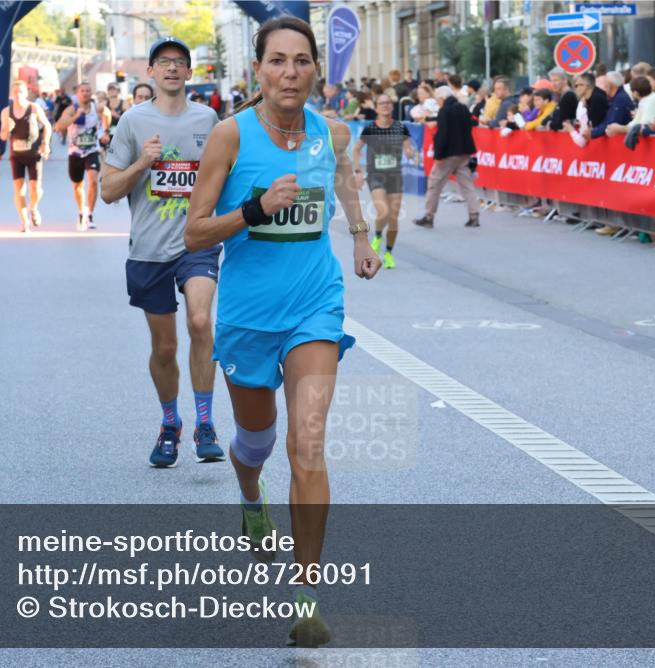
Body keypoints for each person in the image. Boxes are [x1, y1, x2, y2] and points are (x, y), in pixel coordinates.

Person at [184, 14, 381, 647]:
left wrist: (360, 237)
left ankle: (306, 596)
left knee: (310, 444)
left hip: (313, 305)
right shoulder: (229, 137)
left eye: (301, 60)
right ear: (259, 69)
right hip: (246, 316)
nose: (290, 72)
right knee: (257, 442)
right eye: (277, 60)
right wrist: (254, 209)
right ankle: (249, 495)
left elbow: (346, 180)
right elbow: (194, 232)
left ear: (316, 68)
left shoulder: (335, 132)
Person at [100, 36, 224, 468]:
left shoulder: (209, 120)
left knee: (199, 319)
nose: (172, 68)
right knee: (166, 347)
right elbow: (108, 192)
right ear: (149, 72)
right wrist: (142, 164)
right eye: (163, 62)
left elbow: (228, 175)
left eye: (180, 62)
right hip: (149, 249)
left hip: (196, 242)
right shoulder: (132, 122)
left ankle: (205, 423)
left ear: (190, 73)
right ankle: (170, 423)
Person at [352, 93, 416, 269]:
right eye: (381, 103)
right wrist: (357, 171)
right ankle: (378, 236)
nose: (385, 106)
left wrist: (411, 153)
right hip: (376, 175)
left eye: (388, 103)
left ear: (392, 106)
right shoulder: (370, 129)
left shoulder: (400, 127)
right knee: (383, 211)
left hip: (395, 175)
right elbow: (356, 150)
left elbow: (408, 148)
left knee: (394, 218)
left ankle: (388, 253)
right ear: (376, 107)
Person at [413, 86, 480, 229]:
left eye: (438, 99)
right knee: (467, 185)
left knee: (434, 184)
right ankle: (474, 216)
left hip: (448, 154)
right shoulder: (462, 108)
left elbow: (443, 134)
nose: (438, 102)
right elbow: (472, 122)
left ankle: (429, 216)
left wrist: (438, 154)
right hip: (464, 152)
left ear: (442, 98)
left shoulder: (445, 111)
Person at [56, 82, 111, 230]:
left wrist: (105, 131)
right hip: (75, 152)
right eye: (82, 91)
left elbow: (107, 113)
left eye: (88, 90)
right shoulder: (71, 109)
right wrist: (76, 116)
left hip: (92, 150)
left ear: (91, 93)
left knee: (93, 180)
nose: (85, 93)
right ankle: (82, 211)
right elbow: (59, 126)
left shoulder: (96, 107)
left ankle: (91, 215)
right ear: (77, 94)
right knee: (77, 186)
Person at [0, 79, 52, 232]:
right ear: (11, 94)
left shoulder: (34, 108)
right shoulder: (6, 112)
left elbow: (47, 126)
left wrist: (45, 143)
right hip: (16, 155)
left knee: (36, 189)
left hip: (34, 153)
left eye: (20, 91)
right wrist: (6, 129)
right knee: (19, 190)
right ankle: (24, 223)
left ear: (26, 93)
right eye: (14, 92)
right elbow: (3, 137)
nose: (17, 95)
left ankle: (33, 207)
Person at [591, 72, 634, 138]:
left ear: (611, 85)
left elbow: (611, 124)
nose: (604, 86)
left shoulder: (620, 99)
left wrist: (592, 133)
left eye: (605, 83)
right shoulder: (615, 98)